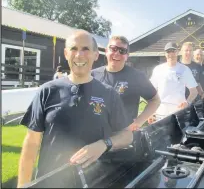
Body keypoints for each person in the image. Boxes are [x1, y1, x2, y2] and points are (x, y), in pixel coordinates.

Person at [17, 30, 133, 188]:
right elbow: (31, 143)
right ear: (66, 53)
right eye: (73, 49)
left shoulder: (109, 94)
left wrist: (104, 144)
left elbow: (127, 136)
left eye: (85, 49)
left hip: (95, 182)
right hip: (50, 183)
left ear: (95, 55)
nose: (79, 55)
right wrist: (23, 185)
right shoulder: (47, 91)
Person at [91, 36, 160, 131]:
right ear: (106, 51)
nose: (117, 53)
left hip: (123, 137)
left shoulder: (137, 76)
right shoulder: (92, 75)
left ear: (127, 56)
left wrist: (138, 122)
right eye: (113, 49)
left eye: (122, 51)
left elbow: (155, 100)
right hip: (96, 133)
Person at [150, 42, 198, 119]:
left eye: (173, 51)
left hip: (178, 114)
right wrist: (150, 112)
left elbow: (194, 91)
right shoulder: (158, 69)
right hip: (160, 113)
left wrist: (187, 102)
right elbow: (151, 91)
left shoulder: (185, 69)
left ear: (177, 52)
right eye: (168, 51)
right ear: (165, 54)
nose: (171, 54)